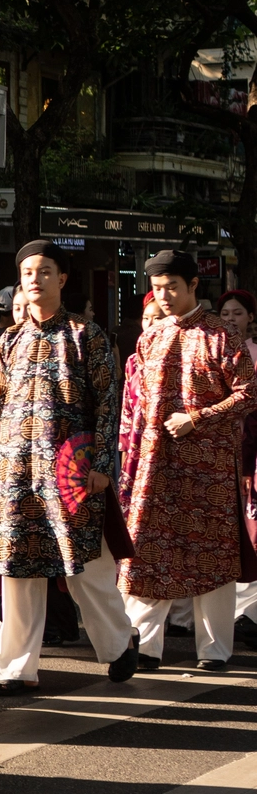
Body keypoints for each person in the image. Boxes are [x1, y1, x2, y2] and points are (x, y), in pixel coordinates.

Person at [0, 240, 139, 695]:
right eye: (28, 271)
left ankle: (117, 644)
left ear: (63, 279)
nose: (35, 279)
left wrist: (103, 463)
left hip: (71, 471)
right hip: (14, 472)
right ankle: (15, 669)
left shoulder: (86, 335)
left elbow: (108, 404)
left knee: (85, 566)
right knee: (18, 572)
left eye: (45, 271)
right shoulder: (8, 340)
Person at [118, 251, 257, 672]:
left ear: (194, 285)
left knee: (212, 558)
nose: (164, 296)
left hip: (209, 469)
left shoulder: (221, 335)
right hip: (154, 466)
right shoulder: (148, 337)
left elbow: (249, 393)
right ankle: (144, 646)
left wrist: (198, 418)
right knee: (147, 554)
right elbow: (134, 407)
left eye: (172, 287)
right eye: (157, 289)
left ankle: (214, 651)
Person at [217, 289, 257, 646]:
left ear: (250, 318)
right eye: (225, 313)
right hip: (221, 453)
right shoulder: (215, 350)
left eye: (238, 313)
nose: (230, 318)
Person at [117, 293, 164, 513]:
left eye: (158, 317)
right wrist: (125, 448)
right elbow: (127, 408)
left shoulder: (181, 356)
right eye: (147, 318)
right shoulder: (133, 361)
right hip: (137, 443)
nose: (151, 324)